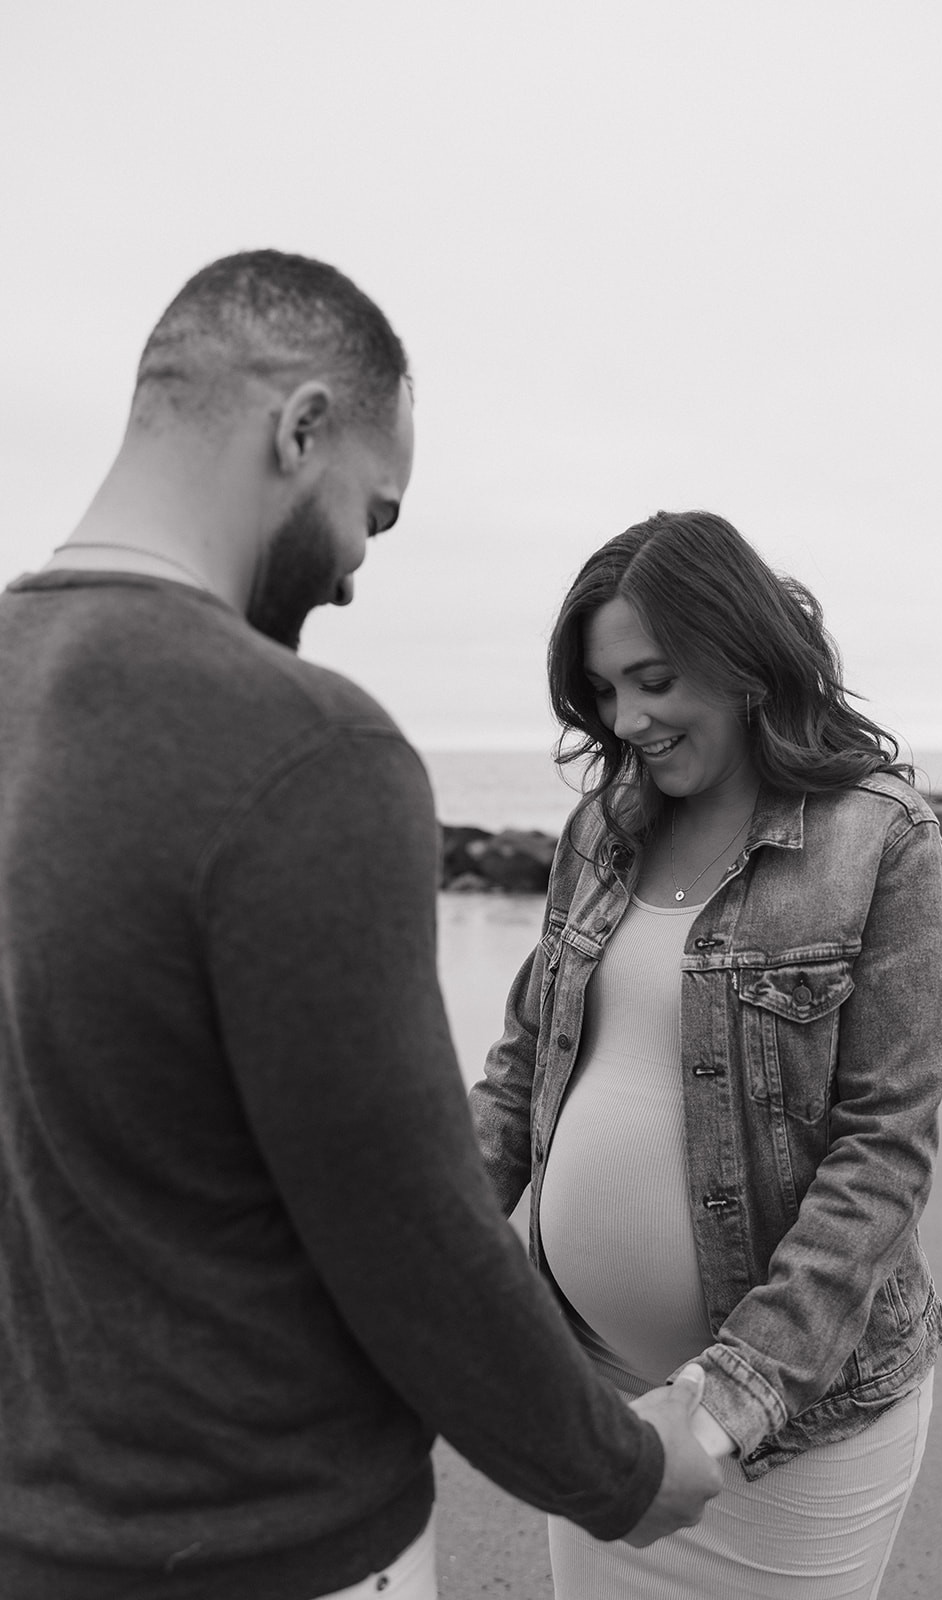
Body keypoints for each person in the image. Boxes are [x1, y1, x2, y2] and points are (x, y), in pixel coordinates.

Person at [0, 254, 722, 1600]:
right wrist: (619, 1470)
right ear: (303, 426)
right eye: (370, 518)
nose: (349, 576)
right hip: (266, 1536)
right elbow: (405, 1228)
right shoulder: (304, 750)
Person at [470, 510, 942, 1599]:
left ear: (739, 658)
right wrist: (415, 1244)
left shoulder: (876, 838)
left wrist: (722, 1402)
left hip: (794, 1434)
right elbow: (521, 1072)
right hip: (597, 1401)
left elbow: (880, 1155)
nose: (628, 718)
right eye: (604, 693)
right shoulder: (603, 829)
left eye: (651, 679)